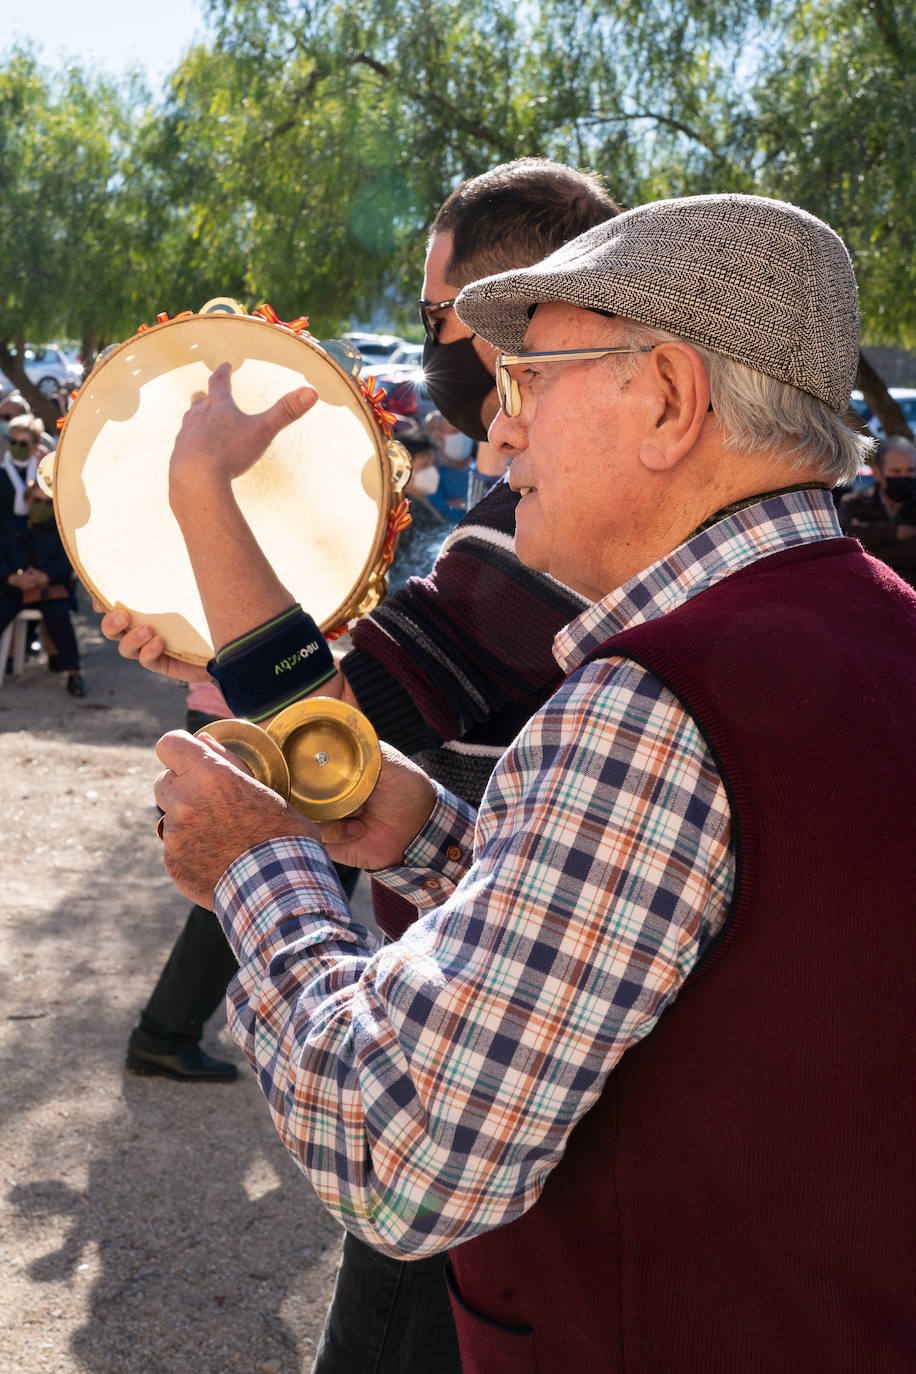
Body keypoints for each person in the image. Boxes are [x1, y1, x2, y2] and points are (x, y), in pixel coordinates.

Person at [152, 193, 914, 1372]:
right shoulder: (880, 624)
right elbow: (686, 929)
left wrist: (255, 867)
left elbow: (393, 1153)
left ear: (666, 397)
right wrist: (429, 834)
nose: (499, 440)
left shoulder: (659, 697)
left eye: (528, 385)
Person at [105, 160, 618, 1368]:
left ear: (507, 314)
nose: (446, 359)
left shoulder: (543, 544)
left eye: (439, 313)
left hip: (483, 1087)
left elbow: (319, 735)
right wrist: (202, 635)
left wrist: (200, 499)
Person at [837, 434, 916, 587]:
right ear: (878, 473)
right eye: (896, 472)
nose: (904, 477)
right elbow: (845, 540)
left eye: (910, 470)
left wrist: (870, 555)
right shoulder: (854, 503)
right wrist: (895, 532)